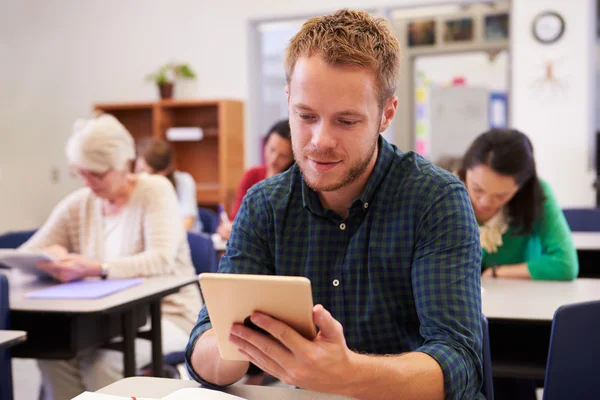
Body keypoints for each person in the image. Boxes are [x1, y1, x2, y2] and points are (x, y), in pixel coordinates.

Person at [186, 9, 483, 400]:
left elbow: (460, 364)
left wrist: (347, 373)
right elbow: (203, 351)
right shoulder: (265, 205)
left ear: (386, 114)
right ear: (288, 99)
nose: (320, 140)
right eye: (305, 115)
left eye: (346, 121)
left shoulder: (435, 200)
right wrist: (235, 346)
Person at [21, 114, 201, 400]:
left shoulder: (155, 191)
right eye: (80, 173)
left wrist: (96, 268)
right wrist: (47, 258)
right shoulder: (81, 202)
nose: (88, 182)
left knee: (103, 362)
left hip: (167, 314)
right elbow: (25, 254)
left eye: (97, 174)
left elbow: (160, 259)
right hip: (102, 323)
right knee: (55, 355)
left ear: (123, 165)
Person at [458, 129, 578, 281]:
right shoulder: (445, 194)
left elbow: (565, 264)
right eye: (477, 189)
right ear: (465, 170)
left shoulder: (536, 195)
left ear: (521, 187)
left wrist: (498, 272)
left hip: (521, 299)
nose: (485, 202)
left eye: (501, 195)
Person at [216, 119, 293, 240]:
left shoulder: (294, 183)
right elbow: (236, 217)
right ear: (265, 145)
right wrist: (227, 228)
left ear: (292, 159)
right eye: (271, 150)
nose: (273, 159)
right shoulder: (252, 175)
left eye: (283, 155)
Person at [135, 138, 201, 232]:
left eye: (143, 171)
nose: (138, 176)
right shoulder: (135, 185)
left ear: (161, 173)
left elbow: (187, 225)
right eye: (137, 170)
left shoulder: (183, 181)